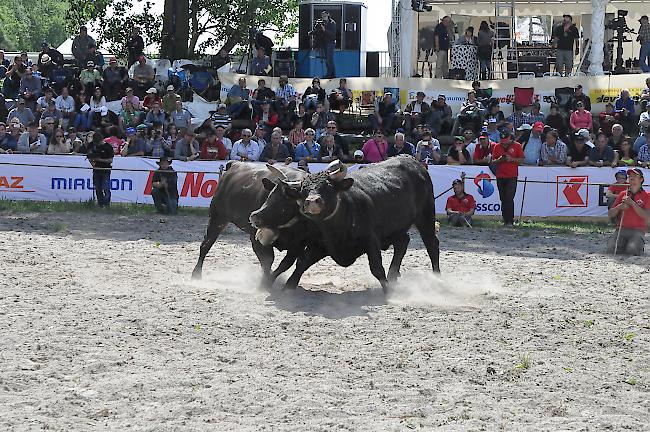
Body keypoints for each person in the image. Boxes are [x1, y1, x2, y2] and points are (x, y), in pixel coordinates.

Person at [607, 168, 650, 255]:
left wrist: (633, 204)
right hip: (621, 229)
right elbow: (610, 214)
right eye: (630, 176)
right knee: (611, 249)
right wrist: (619, 207)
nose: (631, 178)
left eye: (634, 176)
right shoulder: (623, 194)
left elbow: (647, 216)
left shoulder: (647, 195)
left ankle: (635, 244)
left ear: (641, 179)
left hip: (638, 230)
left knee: (632, 250)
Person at [492, 131, 525, 226]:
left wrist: (511, 159)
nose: (504, 142)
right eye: (502, 140)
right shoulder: (497, 146)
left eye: (505, 140)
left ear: (510, 138)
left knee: (509, 198)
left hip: (512, 176)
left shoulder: (517, 146)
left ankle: (510, 220)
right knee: (502, 198)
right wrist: (499, 160)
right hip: (500, 175)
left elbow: (522, 159)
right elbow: (493, 161)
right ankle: (505, 219)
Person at [86, 131, 114, 207]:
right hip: (96, 170)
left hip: (106, 169)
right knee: (98, 189)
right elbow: (89, 156)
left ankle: (106, 204)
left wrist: (99, 160)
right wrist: (93, 163)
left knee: (106, 189)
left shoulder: (108, 147)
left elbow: (110, 160)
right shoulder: (92, 145)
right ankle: (100, 205)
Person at [319, 10, 337, 78]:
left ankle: (329, 74)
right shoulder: (322, 23)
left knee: (329, 59)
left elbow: (332, 34)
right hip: (325, 43)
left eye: (325, 15)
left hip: (331, 43)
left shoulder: (332, 23)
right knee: (328, 59)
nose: (323, 17)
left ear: (328, 15)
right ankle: (332, 74)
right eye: (322, 15)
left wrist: (324, 30)